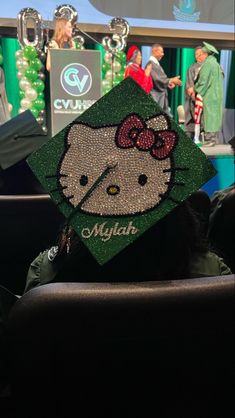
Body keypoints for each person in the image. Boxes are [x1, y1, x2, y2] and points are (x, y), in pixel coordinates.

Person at [194, 41, 224, 147]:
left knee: (209, 116)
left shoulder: (207, 64)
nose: (200, 56)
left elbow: (203, 80)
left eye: (201, 54)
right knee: (215, 117)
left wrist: (197, 89)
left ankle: (210, 140)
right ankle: (214, 139)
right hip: (217, 95)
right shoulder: (217, 64)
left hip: (209, 95)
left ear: (205, 54)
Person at [146, 43, 182, 115]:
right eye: (161, 52)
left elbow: (160, 79)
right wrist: (171, 80)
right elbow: (157, 79)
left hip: (161, 97)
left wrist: (169, 83)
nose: (163, 54)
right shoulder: (151, 64)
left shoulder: (155, 64)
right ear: (155, 51)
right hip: (156, 97)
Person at [184, 45, 204, 141]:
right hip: (194, 100)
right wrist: (194, 97)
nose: (198, 56)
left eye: (200, 54)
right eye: (196, 54)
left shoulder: (208, 68)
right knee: (192, 122)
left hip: (205, 101)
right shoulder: (192, 68)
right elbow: (189, 85)